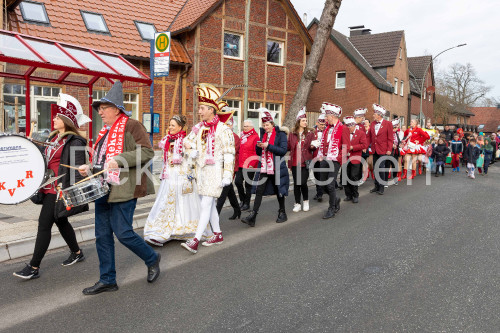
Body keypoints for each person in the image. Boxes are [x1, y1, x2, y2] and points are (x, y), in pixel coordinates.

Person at [79, 82, 160, 295]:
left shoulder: (132, 125)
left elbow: (147, 153)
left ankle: (152, 258)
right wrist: (89, 167)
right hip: (102, 189)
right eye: (99, 109)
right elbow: (101, 159)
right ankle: (107, 279)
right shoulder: (104, 130)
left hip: (124, 188)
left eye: (104, 108)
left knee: (123, 233)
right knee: (102, 235)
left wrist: (120, 159)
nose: (100, 112)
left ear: (116, 109)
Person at [14, 94, 90, 280]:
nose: (54, 119)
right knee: (61, 221)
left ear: (65, 120)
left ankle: (34, 267)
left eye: (57, 117)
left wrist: (77, 175)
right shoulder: (54, 138)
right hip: (48, 188)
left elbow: (77, 168)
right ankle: (77, 253)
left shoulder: (75, 141)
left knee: (43, 225)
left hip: (58, 191)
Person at [180, 83, 235, 253]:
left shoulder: (223, 129)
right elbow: (185, 141)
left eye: (202, 108)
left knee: (205, 204)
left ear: (212, 109)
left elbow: (229, 153)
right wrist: (191, 151)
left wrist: (227, 174)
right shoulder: (199, 127)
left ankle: (195, 240)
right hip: (201, 172)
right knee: (209, 205)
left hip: (216, 171)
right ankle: (217, 234)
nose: (199, 111)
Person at [144, 115, 212, 246]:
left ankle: (183, 230)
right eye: (169, 125)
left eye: (173, 125)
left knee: (183, 203)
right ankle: (161, 231)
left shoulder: (186, 140)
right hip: (169, 175)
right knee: (166, 202)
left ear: (180, 127)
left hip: (182, 176)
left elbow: (195, 156)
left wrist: (189, 149)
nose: (170, 127)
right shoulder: (167, 140)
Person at [241, 108, 289, 226]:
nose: (265, 127)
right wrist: (259, 145)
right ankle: (253, 215)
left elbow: (283, 151)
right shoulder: (263, 135)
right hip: (264, 167)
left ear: (272, 124)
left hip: (276, 167)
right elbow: (259, 152)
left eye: (267, 124)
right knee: (259, 190)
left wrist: (268, 146)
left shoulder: (281, 135)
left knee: (279, 190)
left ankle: (282, 212)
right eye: (263, 125)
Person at [316, 102, 350, 219]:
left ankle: (331, 208)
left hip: (335, 160)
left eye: (327, 116)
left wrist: (338, 158)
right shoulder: (327, 129)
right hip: (325, 158)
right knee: (323, 183)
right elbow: (324, 144)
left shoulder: (343, 128)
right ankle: (335, 199)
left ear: (332, 116)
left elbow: (345, 146)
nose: (325, 118)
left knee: (330, 185)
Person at [288, 107, 314, 212]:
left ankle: (306, 201)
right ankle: (297, 203)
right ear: (298, 121)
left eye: (306, 121)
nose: (305, 122)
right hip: (295, 162)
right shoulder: (292, 134)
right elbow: (288, 147)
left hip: (305, 162)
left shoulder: (310, 134)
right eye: (303, 120)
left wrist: (313, 146)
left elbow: (313, 146)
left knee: (303, 182)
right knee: (296, 183)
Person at [216, 114, 241, 219]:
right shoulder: (219, 134)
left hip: (230, 167)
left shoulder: (234, 137)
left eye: (227, 124)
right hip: (219, 167)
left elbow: (232, 151)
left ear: (231, 126)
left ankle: (215, 216)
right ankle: (237, 209)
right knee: (229, 190)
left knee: (223, 192)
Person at [367, 104, 393, 195]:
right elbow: (369, 137)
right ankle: (376, 185)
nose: (373, 115)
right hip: (374, 150)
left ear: (379, 115)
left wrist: (389, 149)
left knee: (381, 168)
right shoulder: (373, 124)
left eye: (374, 114)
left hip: (383, 150)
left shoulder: (388, 124)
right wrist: (365, 145)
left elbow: (390, 138)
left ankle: (381, 187)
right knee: (375, 168)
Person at [235, 120, 259, 211]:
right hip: (241, 164)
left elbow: (257, 152)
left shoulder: (255, 137)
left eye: (247, 126)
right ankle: (243, 200)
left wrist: (253, 164)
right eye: (244, 126)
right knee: (238, 182)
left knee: (248, 185)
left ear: (252, 127)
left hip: (250, 164)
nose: (245, 128)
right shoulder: (242, 136)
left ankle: (247, 203)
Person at [343, 116, 367, 203]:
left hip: (355, 158)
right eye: (347, 126)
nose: (348, 128)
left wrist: (353, 147)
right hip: (345, 158)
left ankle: (355, 195)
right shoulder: (344, 133)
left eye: (350, 126)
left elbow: (364, 145)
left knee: (353, 177)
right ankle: (348, 195)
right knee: (345, 176)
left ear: (354, 125)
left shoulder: (361, 133)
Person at [311, 112, 326, 201]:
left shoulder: (327, 131)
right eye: (321, 124)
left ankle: (321, 193)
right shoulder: (313, 131)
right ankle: (319, 192)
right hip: (315, 157)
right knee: (316, 175)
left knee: (322, 175)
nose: (322, 126)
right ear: (317, 123)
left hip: (324, 157)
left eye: (324, 124)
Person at [391, 118, 404, 183]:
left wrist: (400, 144)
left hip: (395, 151)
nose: (396, 129)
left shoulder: (396, 133)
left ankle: (395, 177)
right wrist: (392, 144)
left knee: (395, 164)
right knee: (388, 164)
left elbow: (398, 141)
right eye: (395, 127)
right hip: (389, 151)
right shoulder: (389, 132)